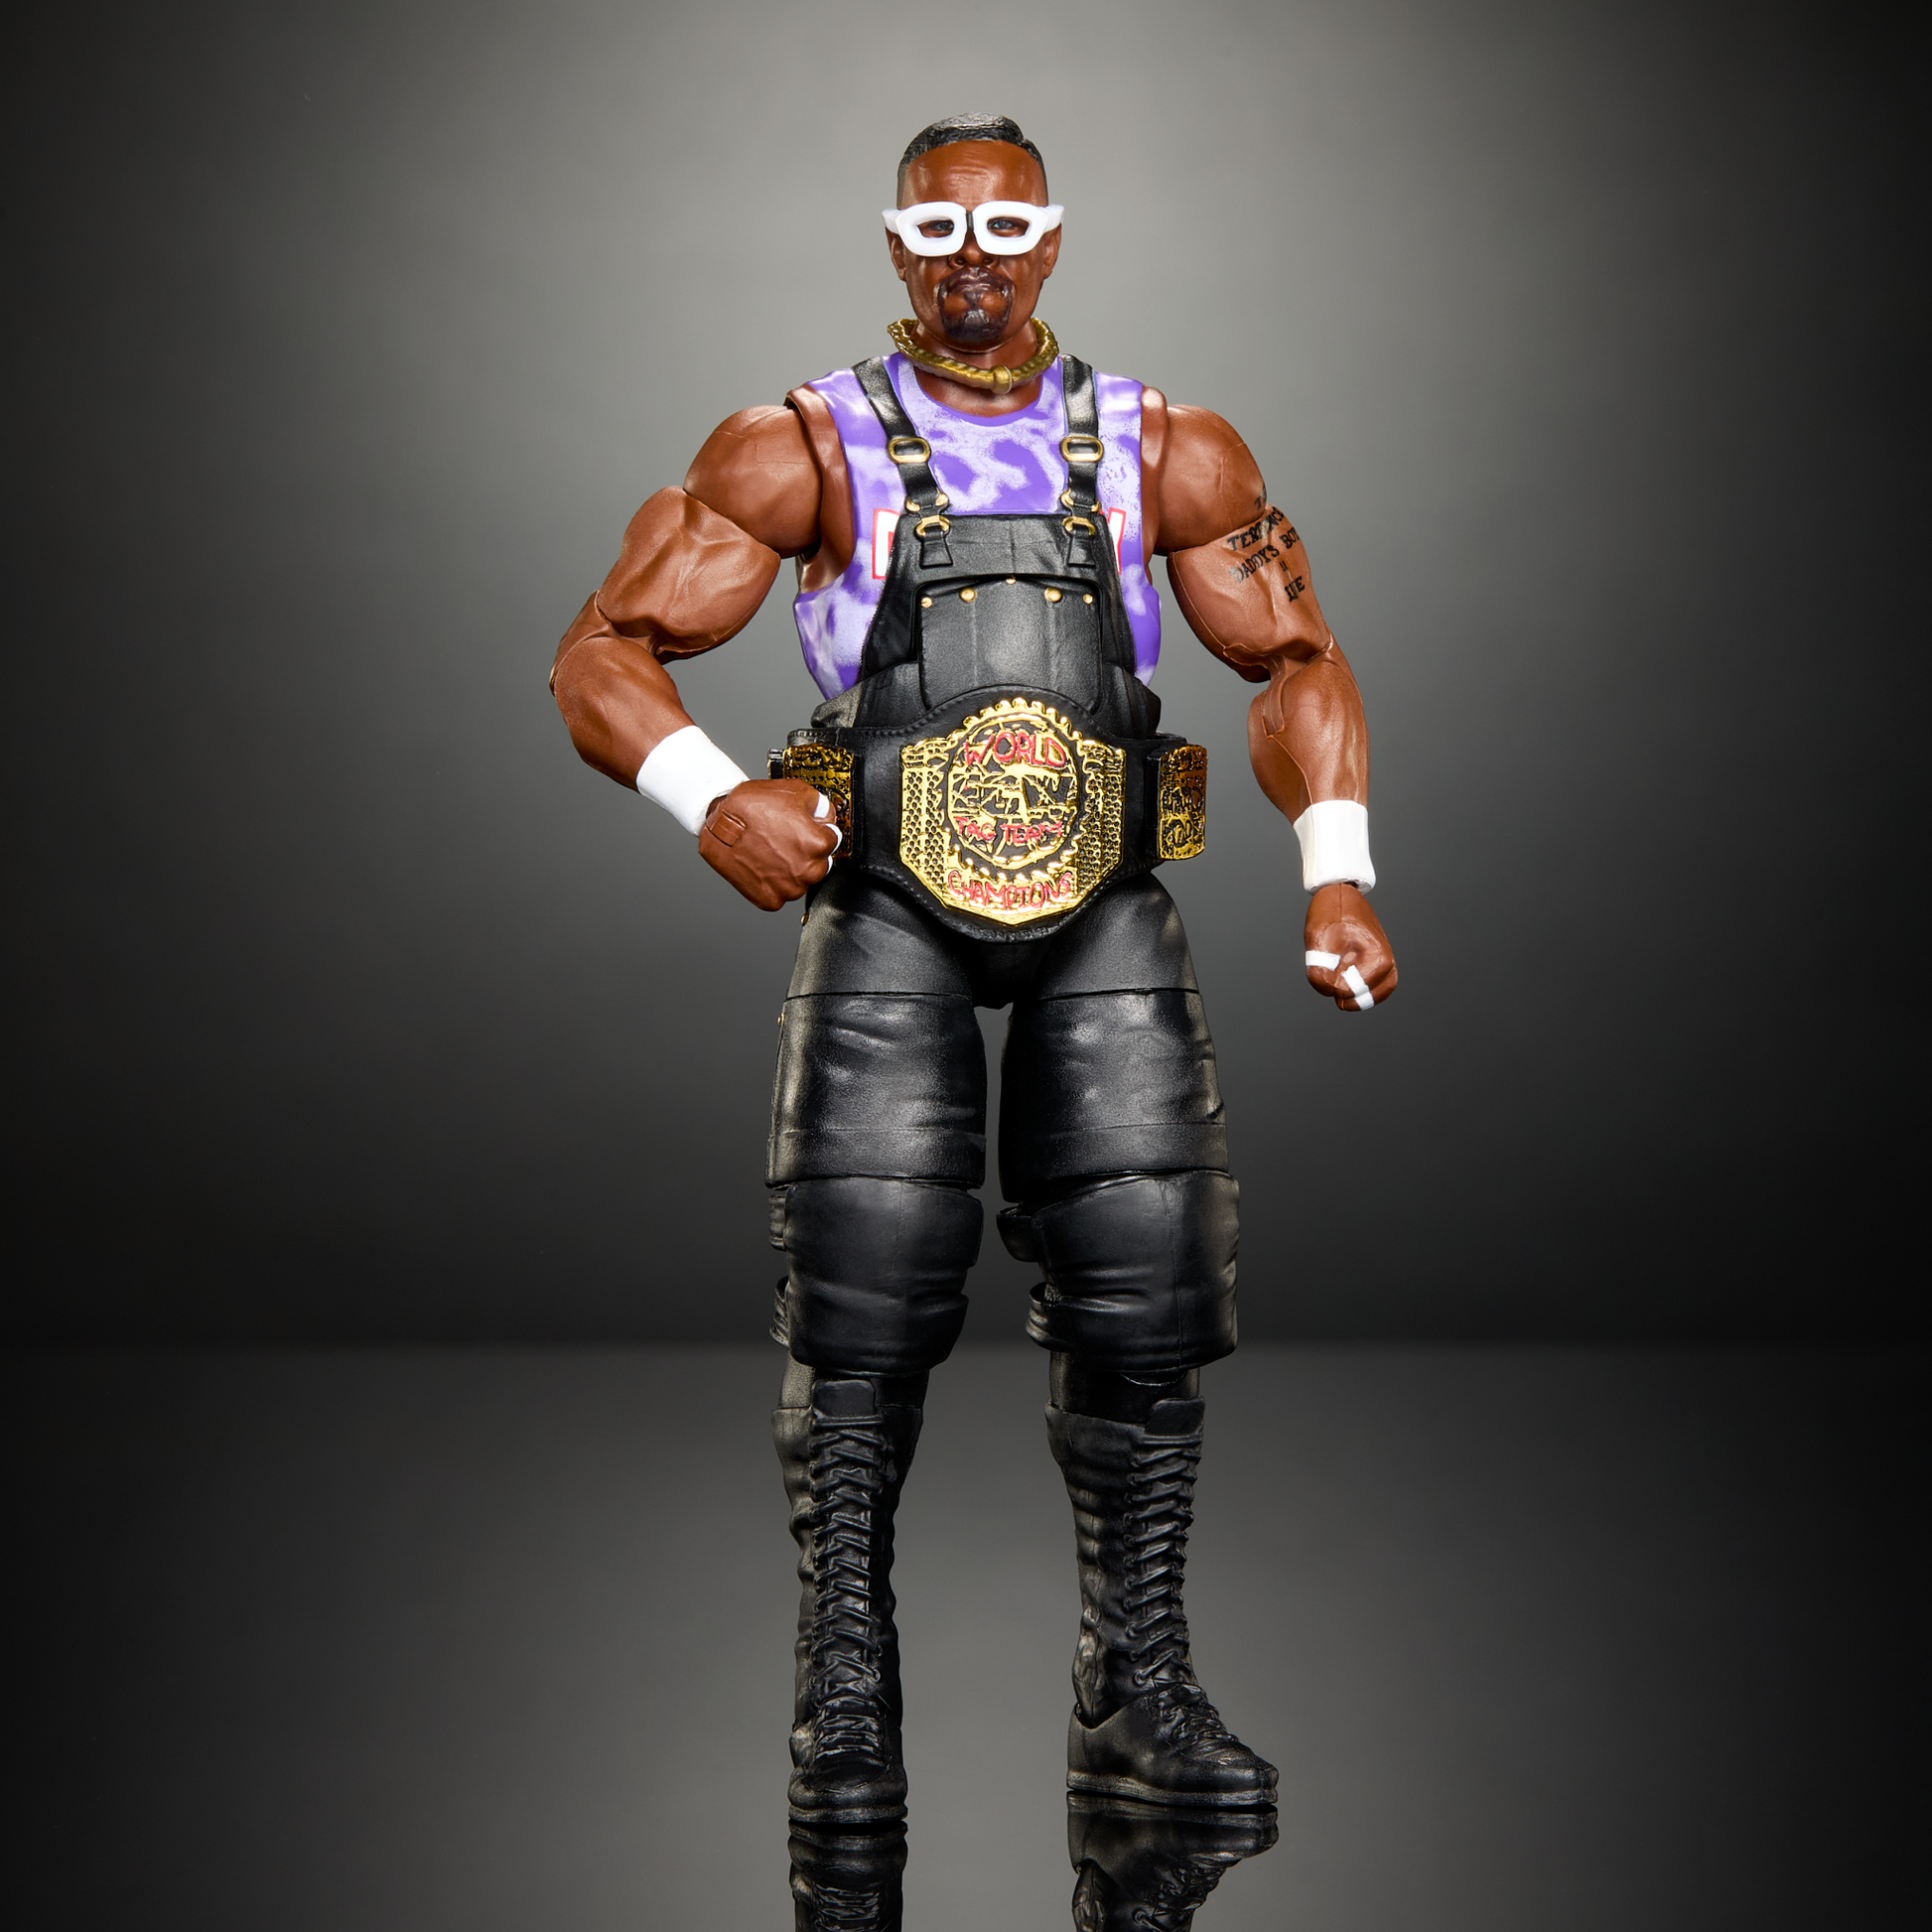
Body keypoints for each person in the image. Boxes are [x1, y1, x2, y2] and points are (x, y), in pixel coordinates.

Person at [549, 113, 1397, 1824]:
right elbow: (603, 649)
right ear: (895, 244)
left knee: (1148, 1290)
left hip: (1105, 905)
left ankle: (1138, 1692)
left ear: (1053, 238)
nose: (973, 258)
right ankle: (843, 1697)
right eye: (937, 230)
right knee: (858, 1303)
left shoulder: (1165, 446)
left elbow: (1297, 659)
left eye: (1006, 227)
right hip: (883, 904)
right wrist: (711, 796)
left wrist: (1338, 871)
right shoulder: (802, 446)